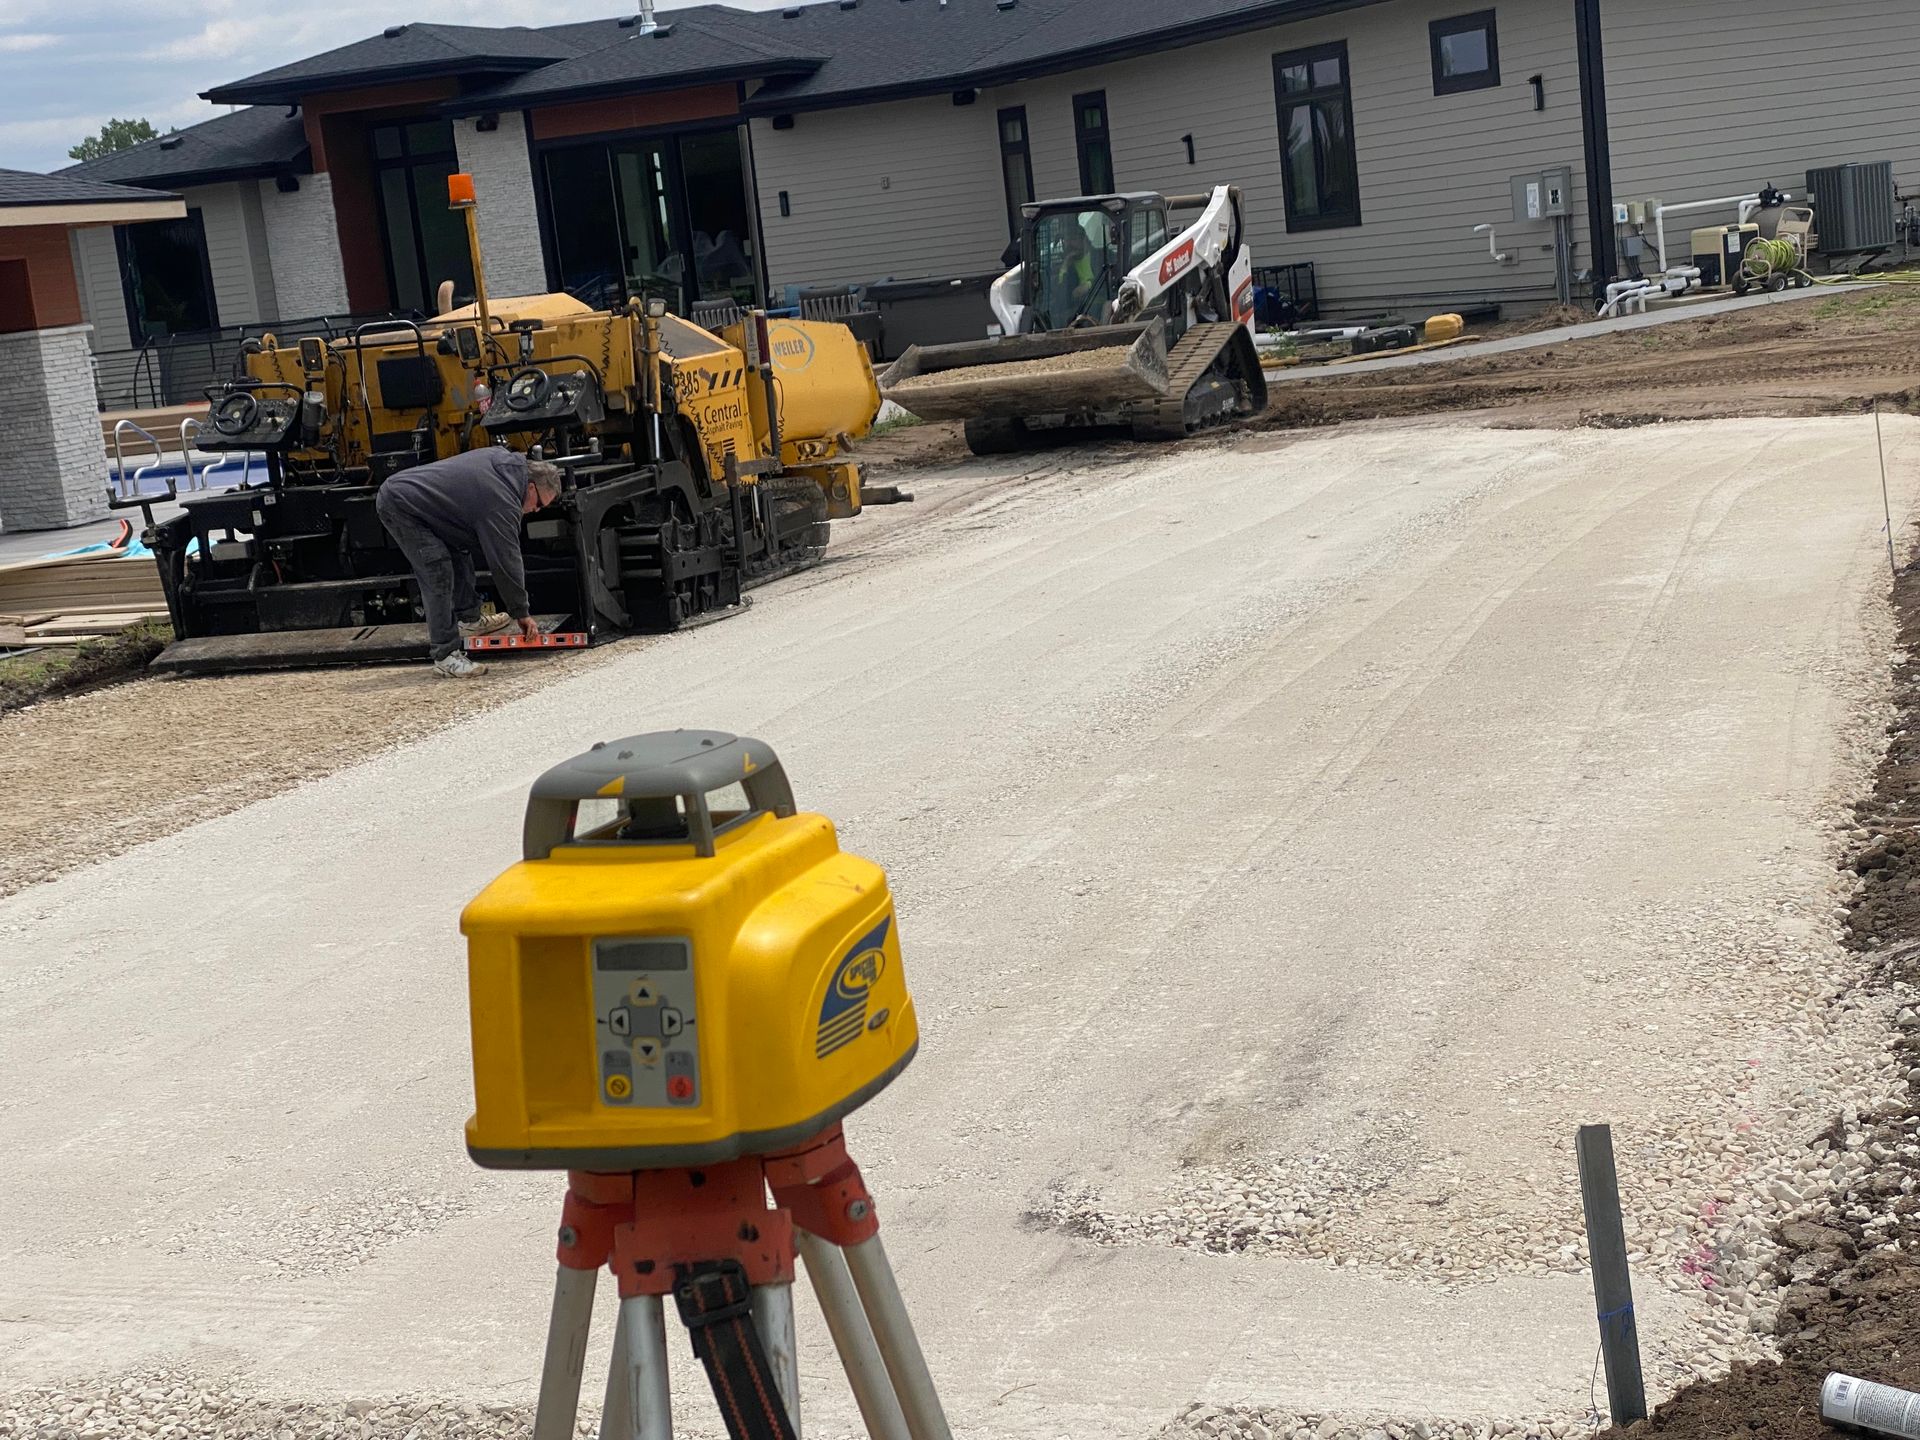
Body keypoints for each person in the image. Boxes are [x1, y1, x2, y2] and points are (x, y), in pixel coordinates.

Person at [374, 447, 563, 678]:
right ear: (531, 487)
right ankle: (445, 656)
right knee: (437, 570)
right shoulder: (502, 500)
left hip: (424, 504)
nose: (535, 510)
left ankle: (469, 619)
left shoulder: (505, 463)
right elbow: (505, 561)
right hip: (400, 505)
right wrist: (521, 612)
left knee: (459, 549)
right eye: (539, 504)